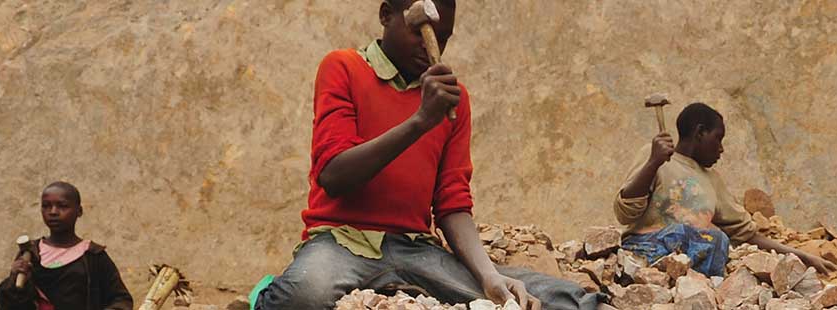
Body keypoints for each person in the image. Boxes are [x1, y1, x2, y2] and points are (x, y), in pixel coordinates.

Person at [255, 0, 599, 309]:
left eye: (443, 36)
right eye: (419, 30)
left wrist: (488, 275)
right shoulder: (343, 67)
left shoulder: (453, 99)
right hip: (341, 240)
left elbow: (452, 203)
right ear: (386, 15)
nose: (431, 45)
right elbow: (334, 176)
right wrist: (421, 120)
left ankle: (596, 304)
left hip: (415, 248)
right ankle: (263, 295)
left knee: (522, 294)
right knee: (303, 295)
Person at [614, 103, 837, 278]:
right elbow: (625, 213)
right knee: (689, 233)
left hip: (689, 270)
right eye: (718, 138)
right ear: (700, 132)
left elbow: (746, 233)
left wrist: (803, 256)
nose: (721, 149)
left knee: (718, 239)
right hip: (644, 252)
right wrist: (654, 162)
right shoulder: (655, 156)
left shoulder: (713, 181)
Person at [0, 182, 134, 310]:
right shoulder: (30, 254)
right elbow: (12, 305)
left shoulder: (93, 256)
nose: (53, 212)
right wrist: (13, 281)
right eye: (46, 206)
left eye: (62, 206)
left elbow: (121, 300)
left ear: (79, 211)